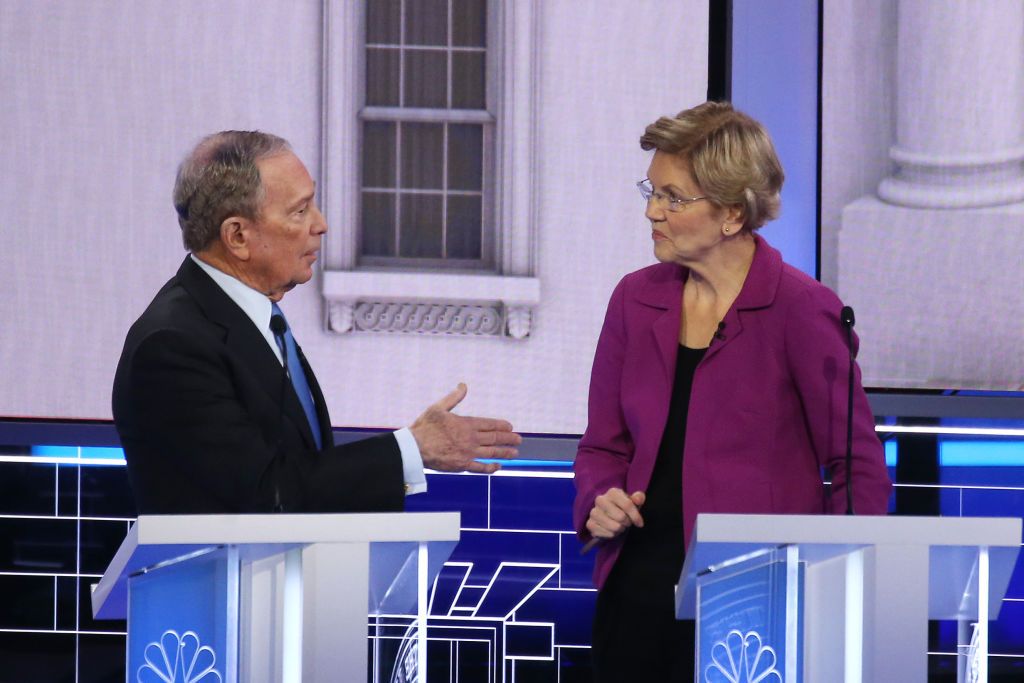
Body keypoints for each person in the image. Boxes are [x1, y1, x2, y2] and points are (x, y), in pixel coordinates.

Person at [572, 102, 892, 682]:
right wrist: (600, 501)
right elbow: (603, 449)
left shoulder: (801, 309)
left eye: (673, 197)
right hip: (638, 595)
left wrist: (826, 586)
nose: (652, 211)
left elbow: (858, 467)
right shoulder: (634, 299)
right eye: (651, 190)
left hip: (755, 605)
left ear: (729, 212)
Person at [112, 130, 521, 514]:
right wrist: (409, 450)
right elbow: (261, 494)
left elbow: (299, 470)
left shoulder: (254, 316)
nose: (320, 224)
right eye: (300, 210)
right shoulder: (174, 344)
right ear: (237, 235)